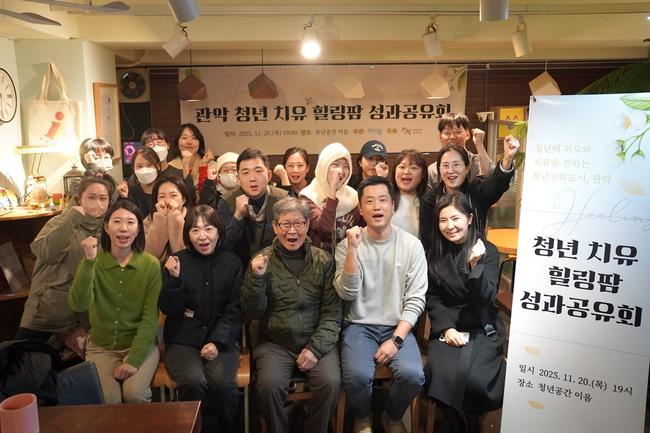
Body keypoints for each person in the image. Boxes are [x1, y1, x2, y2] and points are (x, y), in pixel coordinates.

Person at [334, 176, 427, 433]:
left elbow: (416, 298)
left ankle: (391, 416)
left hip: (397, 326)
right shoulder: (346, 246)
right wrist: (353, 250)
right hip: (358, 326)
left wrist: (396, 340)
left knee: (413, 376)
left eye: (383, 200)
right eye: (370, 201)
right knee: (356, 376)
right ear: (361, 209)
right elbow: (346, 293)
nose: (377, 206)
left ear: (393, 205)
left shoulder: (412, 245)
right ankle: (363, 416)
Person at [242, 197, 341, 433]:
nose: (292, 231)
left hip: (316, 339)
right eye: (285, 224)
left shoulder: (323, 260)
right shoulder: (261, 260)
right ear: (276, 227)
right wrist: (256, 279)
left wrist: (315, 349)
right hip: (275, 342)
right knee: (268, 387)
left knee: (331, 383)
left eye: (298, 224)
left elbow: (332, 313)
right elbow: (252, 311)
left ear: (307, 225)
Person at [424, 193, 505, 433]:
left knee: (477, 380)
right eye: (443, 220)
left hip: (482, 325)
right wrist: (447, 328)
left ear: (469, 218)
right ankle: (455, 421)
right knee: (442, 374)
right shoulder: (434, 253)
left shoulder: (488, 251)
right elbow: (433, 297)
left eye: (455, 218)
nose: (449, 226)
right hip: (448, 326)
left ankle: (472, 423)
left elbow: (486, 298)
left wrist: (474, 266)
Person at [68, 200, 161, 404]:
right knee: (109, 401)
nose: (124, 228)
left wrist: (133, 361)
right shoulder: (93, 262)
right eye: (117, 221)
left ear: (138, 230)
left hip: (140, 345)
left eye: (130, 222)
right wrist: (89, 262)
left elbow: (149, 319)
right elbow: (78, 305)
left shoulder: (150, 265)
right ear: (106, 227)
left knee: (135, 395)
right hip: (101, 347)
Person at [160, 205, 242, 432]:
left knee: (222, 384)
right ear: (188, 235)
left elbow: (235, 310)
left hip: (221, 341)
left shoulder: (233, 263)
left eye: (208, 229)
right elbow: (168, 309)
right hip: (183, 341)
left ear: (219, 232)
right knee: (192, 382)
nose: (202, 236)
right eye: (195, 230)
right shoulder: (176, 261)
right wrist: (173, 280)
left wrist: (217, 342)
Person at [17, 176, 114, 345]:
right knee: (19, 355)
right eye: (91, 197)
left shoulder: (108, 228)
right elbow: (45, 252)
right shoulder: (60, 221)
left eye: (103, 198)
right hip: (49, 308)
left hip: (85, 312)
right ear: (79, 198)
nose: (97, 203)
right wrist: (72, 219)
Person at [419, 136, 520, 253]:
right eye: (445, 165)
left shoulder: (477, 192)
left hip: (476, 255)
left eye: (456, 164)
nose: (450, 170)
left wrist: (507, 158)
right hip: (441, 259)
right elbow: (428, 240)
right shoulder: (430, 199)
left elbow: (497, 184)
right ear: (439, 170)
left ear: (467, 168)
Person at [217, 148, 288, 265]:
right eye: (245, 173)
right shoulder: (226, 202)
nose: (252, 178)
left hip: (276, 267)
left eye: (258, 171)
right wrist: (237, 216)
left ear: (269, 175)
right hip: (240, 268)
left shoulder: (283, 199)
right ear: (238, 178)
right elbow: (224, 247)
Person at [299, 142, 362, 256]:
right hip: (318, 261)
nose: (341, 171)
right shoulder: (307, 196)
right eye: (335, 164)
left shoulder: (353, 196)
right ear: (324, 166)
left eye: (346, 166)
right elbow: (325, 229)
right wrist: (332, 190)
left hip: (348, 259)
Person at [426, 112, 494, 190]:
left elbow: (492, 179)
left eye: (457, 132)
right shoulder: (432, 170)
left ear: (467, 134)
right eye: (447, 133)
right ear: (440, 136)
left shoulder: (480, 162)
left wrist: (479, 145)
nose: (452, 137)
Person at [141, 128, 197, 206]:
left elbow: (191, 198)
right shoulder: (141, 175)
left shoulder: (179, 174)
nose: (156, 146)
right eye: (150, 144)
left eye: (159, 142)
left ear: (167, 145)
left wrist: (186, 165)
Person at [143, 176, 191, 262]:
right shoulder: (149, 220)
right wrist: (160, 218)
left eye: (173, 195)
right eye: (162, 196)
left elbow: (182, 255)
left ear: (183, 199)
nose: (168, 200)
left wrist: (174, 216)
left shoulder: (193, 219)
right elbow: (150, 254)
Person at [168, 123, 217, 193]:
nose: (189, 142)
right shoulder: (170, 167)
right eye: (184, 138)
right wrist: (185, 165)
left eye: (194, 138)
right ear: (177, 142)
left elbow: (207, 193)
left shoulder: (212, 165)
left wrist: (203, 165)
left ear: (200, 142)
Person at [390, 149, 428, 238]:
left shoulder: (429, 203)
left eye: (413, 168)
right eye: (402, 167)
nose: (406, 171)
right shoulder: (385, 200)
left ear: (423, 174)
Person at [120, 146, 161, 216]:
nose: (145, 170)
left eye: (149, 165)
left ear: (158, 166)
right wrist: (125, 198)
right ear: (134, 168)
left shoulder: (166, 189)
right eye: (140, 166)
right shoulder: (131, 193)